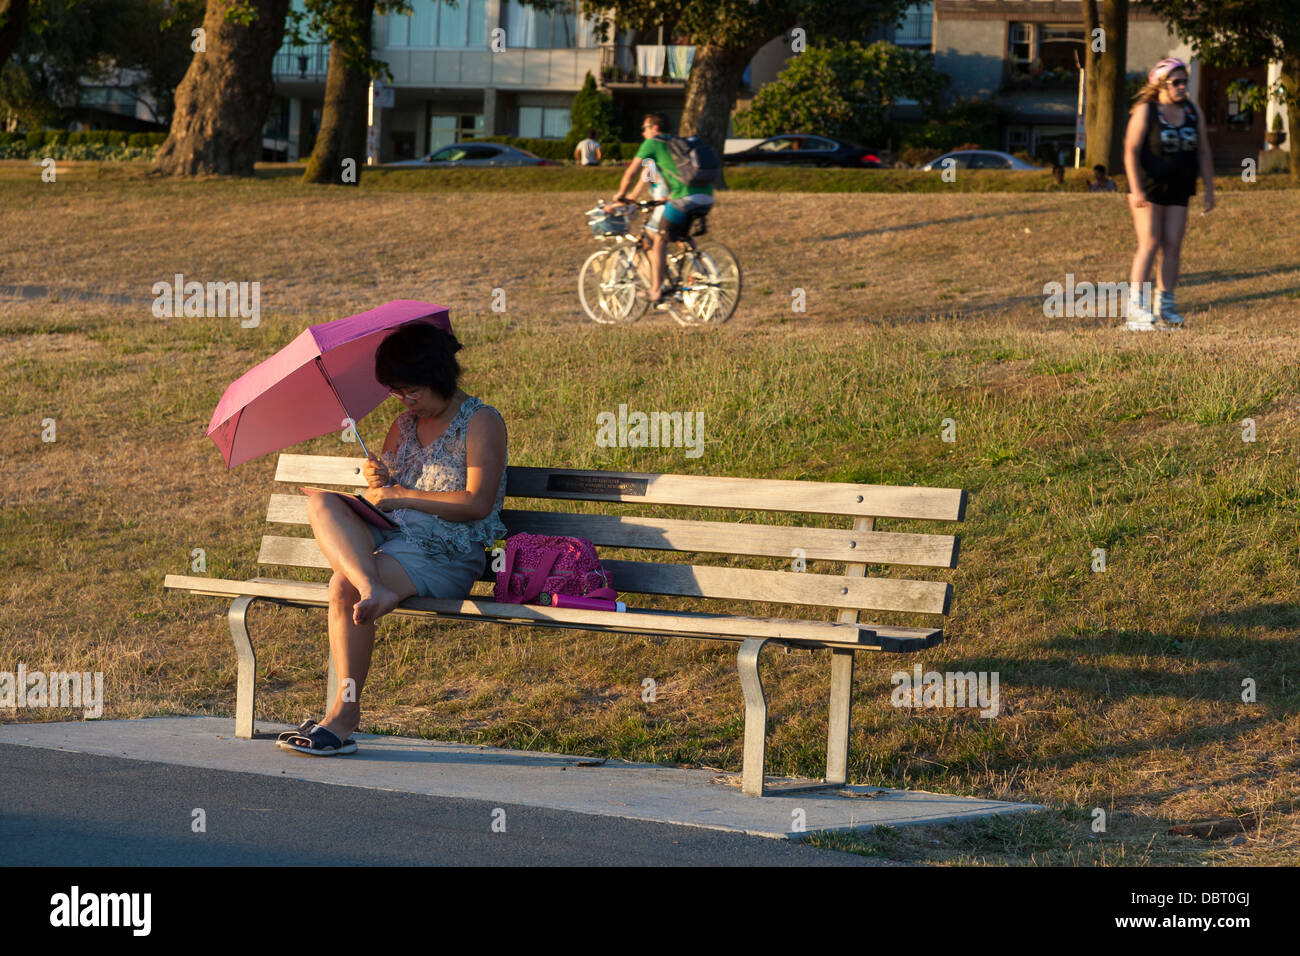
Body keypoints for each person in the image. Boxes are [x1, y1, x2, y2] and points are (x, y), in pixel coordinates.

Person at [279, 321, 508, 756]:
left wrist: (405, 494)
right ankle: (372, 587)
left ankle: (344, 716)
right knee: (322, 504)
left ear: (439, 375)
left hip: (448, 550)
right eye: (395, 391)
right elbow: (385, 496)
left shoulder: (480, 421)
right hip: (397, 536)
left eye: (411, 389)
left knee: (340, 588)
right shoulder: (402, 426)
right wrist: (378, 482)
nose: (404, 400)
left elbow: (478, 504)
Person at [1121, 57, 1215, 331]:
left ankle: (1166, 307)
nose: (1182, 87)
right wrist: (1136, 187)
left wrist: (1209, 188)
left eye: (1185, 81)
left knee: (1173, 244)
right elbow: (1130, 150)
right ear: (1161, 85)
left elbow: (1204, 151)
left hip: (1179, 186)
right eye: (1176, 82)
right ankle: (1136, 308)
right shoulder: (1146, 111)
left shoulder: (1192, 111)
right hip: (1148, 187)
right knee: (1150, 241)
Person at [605, 113, 714, 306]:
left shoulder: (652, 145)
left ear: (655, 128)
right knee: (679, 236)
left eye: (645, 128)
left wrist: (619, 196)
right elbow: (641, 186)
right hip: (706, 195)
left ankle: (657, 288)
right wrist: (625, 201)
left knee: (658, 239)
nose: (642, 132)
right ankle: (700, 270)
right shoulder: (676, 144)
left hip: (681, 198)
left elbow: (631, 174)